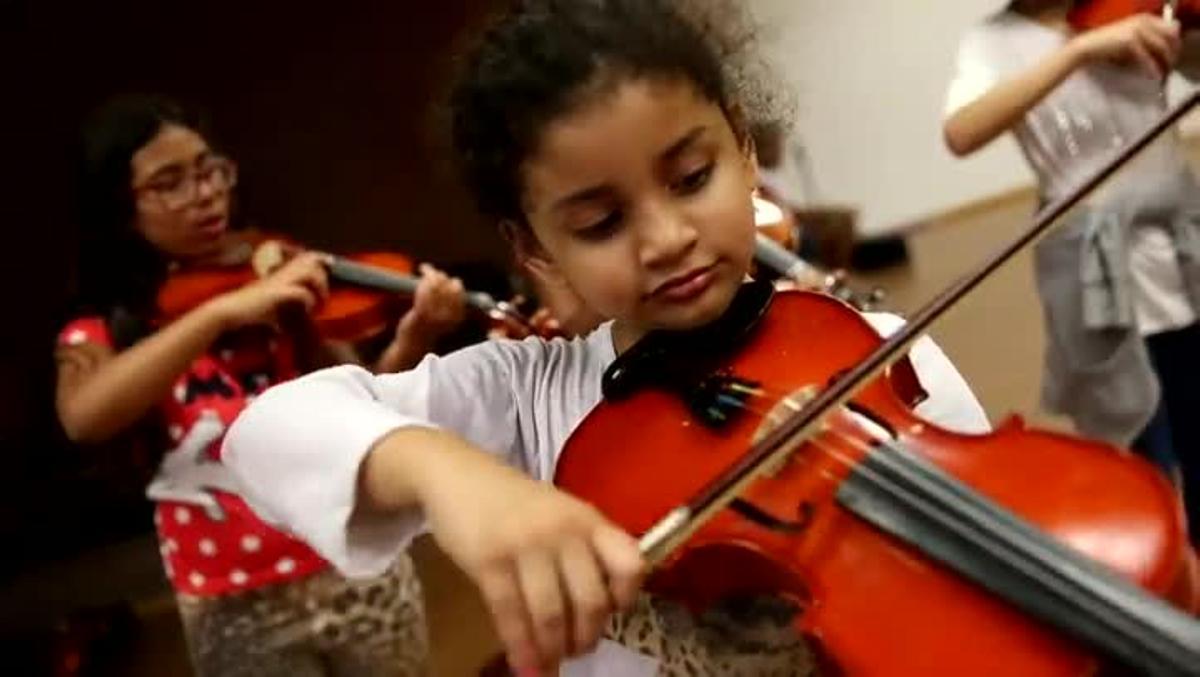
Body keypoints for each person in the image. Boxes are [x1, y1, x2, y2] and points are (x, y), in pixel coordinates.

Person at [224, 1, 991, 673]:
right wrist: (445, 471)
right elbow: (266, 430)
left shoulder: (882, 352)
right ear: (532, 247)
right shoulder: (528, 397)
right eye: (600, 222)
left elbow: (982, 563)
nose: (664, 238)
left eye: (691, 177)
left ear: (745, 152)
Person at [54, 95, 467, 675]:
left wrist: (419, 330)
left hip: (354, 565)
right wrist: (221, 314)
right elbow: (84, 417)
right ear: (122, 210)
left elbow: (364, 401)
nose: (203, 194)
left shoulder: (277, 275)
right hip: (232, 599)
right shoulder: (104, 329)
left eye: (209, 170)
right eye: (169, 183)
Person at [944, 1, 1200, 540]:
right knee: (1140, 446)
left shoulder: (1131, 6)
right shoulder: (990, 43)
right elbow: (961, 133)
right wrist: (1080, 50)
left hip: (1181, 243)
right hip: (1095, 267)